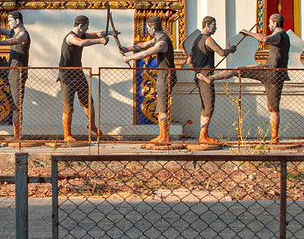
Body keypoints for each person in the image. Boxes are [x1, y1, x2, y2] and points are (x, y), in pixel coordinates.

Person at [213, 13, 293, 144]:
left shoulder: (278, 35)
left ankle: (212, 78)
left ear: (275, 23)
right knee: (273, 108)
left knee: (236, 70)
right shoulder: (286, 36)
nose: (269, 25)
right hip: (276, 73)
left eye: (270, 23)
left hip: (270, 71)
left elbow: (264, 39)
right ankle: (274, 137)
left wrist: (248, 33)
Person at [120, 14, 178, 147]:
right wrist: (127, 49)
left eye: (148, 28)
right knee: (160, 105)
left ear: (152, 28)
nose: (148, 31)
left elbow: (148, 52)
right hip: (162, 76)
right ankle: (162, 134)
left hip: (166, 76)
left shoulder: (163, 42)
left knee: (162, 106)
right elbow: (144, 45)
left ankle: (165, 136)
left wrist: (130, 58)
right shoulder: (158, 38)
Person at [185, 17, 240, 148]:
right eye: (214, 25)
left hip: (199, 75)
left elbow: (189, 62)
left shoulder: (195, 40)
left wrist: (196, 71)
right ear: (208, 25)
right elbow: (221, 52)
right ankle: (203, 136)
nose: (216, 28)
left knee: (205, 105)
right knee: (209, 106)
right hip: (206, 77)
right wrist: (231, 50)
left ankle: (203, 135)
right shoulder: (208, 40)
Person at [58, 15, 110, 143]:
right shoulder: (71, 37)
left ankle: (92, 126)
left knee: (89, 102)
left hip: (78, 74)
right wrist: (100, 41)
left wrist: (109, 33)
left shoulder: (82, 34)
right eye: (87, 26)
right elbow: (82, 43)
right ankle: (67, 135)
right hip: (67, 76)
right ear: (81, 26)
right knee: (68, 107)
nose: (88, 28)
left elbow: (94, 34)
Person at [0, 12, 32, 145]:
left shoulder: (23, 34)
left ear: (17, 21)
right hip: (9, 69)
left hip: (18, 73)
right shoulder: (13, 31)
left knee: (16, 106)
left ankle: (17, 136)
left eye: (10, 20)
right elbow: (5, 31)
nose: (9, 23)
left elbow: (14, 41)